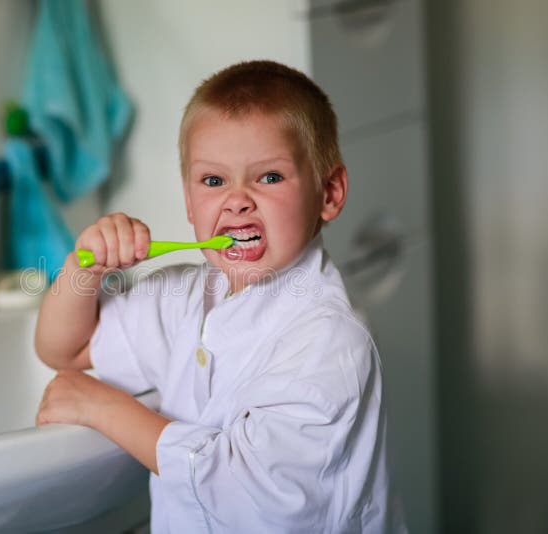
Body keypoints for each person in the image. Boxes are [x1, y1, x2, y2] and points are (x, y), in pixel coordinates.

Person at [34, 60, 404, 533]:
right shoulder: (182, 297)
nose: (237, 199)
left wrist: (104, 408)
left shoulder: (330, 341)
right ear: (189, 203)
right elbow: (65, 349)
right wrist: (83, 268)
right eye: (213, 181)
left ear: (329, 193)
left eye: (269, 177)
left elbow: (247, 494)